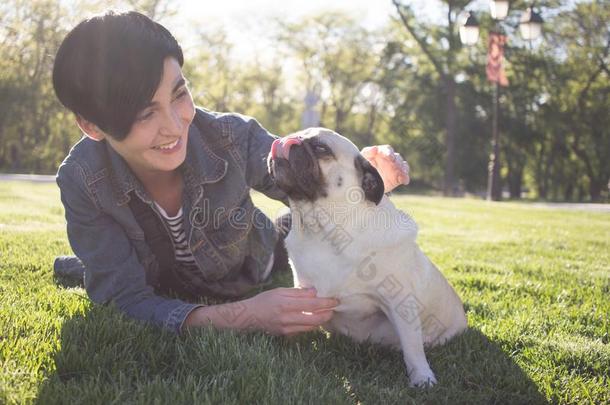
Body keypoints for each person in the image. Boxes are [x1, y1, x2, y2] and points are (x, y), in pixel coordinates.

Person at [52, 10, 410, 336]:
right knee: (107, 274)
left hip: (257, 256)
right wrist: (243, 316)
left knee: (285, 227)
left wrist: (359, 177)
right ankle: (87, 264)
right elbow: (125, 299)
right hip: (158, 276)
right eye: (146, 114)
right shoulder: (82, 180)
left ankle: (86, 265)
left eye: (179, 94)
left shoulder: (230, 137)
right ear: (92, 125)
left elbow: (305, 183)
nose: (175, 126)